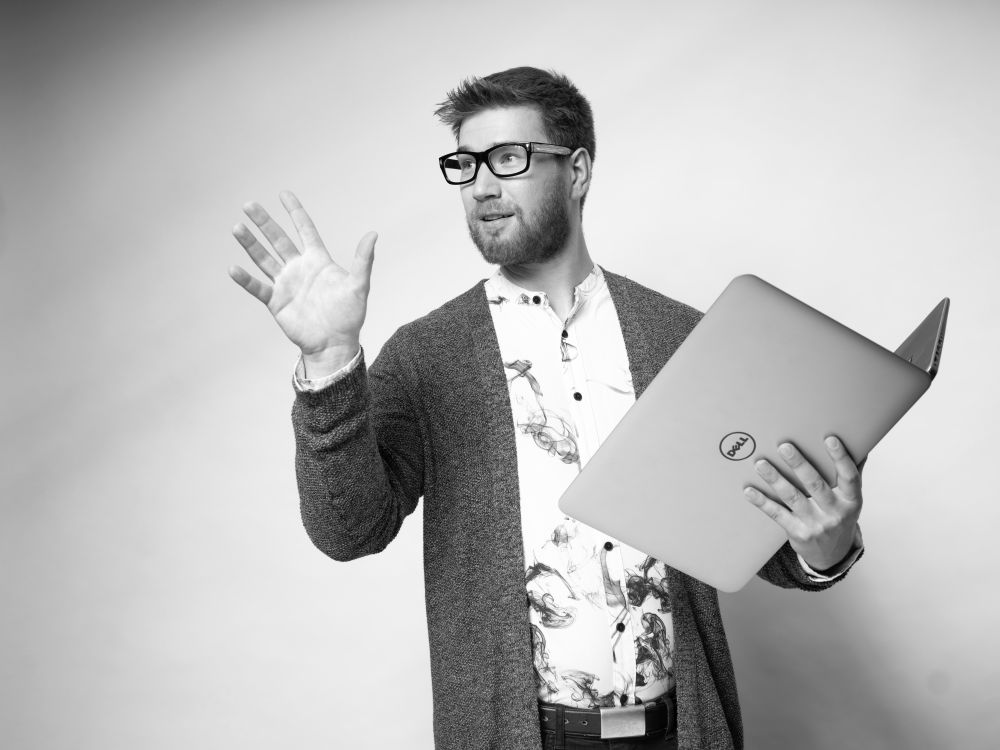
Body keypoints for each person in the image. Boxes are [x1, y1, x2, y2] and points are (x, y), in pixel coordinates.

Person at [228, 67, 865, 750]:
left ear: (577, 171)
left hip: (684, 734)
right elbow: (348, 529)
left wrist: (826, 546)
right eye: (466, 165)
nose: (482, 185)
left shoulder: (681, 338)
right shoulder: (427, 356)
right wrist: (330, 363)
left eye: (508, 158)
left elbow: (761, 540)